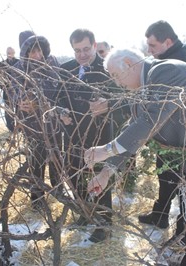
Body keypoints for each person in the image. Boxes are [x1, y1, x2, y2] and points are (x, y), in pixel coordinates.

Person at [84, 48, 186, 265]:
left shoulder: (166, 71)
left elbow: (150, 122)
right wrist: (107, 172)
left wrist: (106, 149)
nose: (116, 83)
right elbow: (135, 132)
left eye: (116, 75)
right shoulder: (144, 91)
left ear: (129, 62)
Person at [59, 28, 129, 243]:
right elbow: (58, 98)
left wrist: (108, 105)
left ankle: (102, 222)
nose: (82, 54)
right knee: (75, 175)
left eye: (86, 49)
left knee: (99, 179)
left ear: (95, 45)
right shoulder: (66, 70)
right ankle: (83, 212)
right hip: (72, 136)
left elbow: (126, 98)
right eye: (77, 50)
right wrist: (61, 112)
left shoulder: (108, 69)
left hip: (100, 136)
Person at [139, 20, 186, 229]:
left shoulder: (179, 61)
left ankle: (183, 228)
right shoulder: (170, 56)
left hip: (183, 135)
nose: (149, 50)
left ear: (167, 42)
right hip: (171, 133)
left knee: (184, 182)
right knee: (165, 176)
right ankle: (160, 215)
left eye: (153, 46)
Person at [11, 30, 62, 209]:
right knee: (36, 161)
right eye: (32, 51)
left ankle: (58, 191)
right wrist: (20, 103)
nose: (37, 55)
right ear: (24, 50)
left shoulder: (52, 63)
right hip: (32, 125)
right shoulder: (18, 68)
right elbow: (13, 92)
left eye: (39, 50)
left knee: (56, 157)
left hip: (53, 122)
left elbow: (57, 91)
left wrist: (39, 103)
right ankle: (37, 199)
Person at [0, 47, 19, 133]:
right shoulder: (2, 63)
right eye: (8, 52)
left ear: (14, 53)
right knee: (8, 110)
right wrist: (3, 86)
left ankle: (19, 127)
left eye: (11, 52)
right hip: (7, 90)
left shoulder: (18, 62)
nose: (10, 54)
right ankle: (11, 128)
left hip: (17, 90)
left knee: (19, 109)